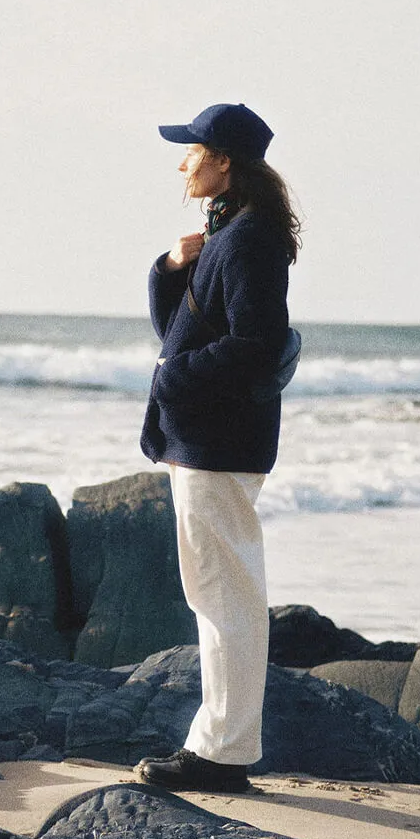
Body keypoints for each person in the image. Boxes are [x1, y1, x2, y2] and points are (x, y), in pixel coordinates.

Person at [135, 103, 301, 793]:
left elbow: (256, 344)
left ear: (224, 160)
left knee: (225, 594)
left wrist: (175, 378)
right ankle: (218, 743)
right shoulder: (232, 231)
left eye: (192, 150)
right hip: (207, 436)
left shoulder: (250, 237)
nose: (182, 162)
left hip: (218, 438)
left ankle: (224, 754)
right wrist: (173, 267)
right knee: (215, 592)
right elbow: (181, 326)